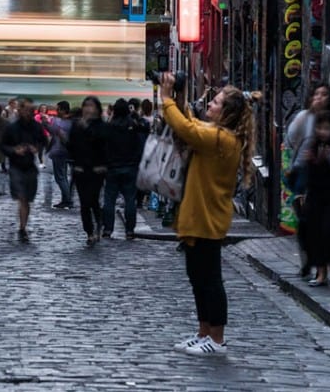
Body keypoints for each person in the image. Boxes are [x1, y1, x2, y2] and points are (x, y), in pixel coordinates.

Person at [160, 73, 257, 357]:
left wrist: (166, 100)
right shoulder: (216, 135)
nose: (210, 106)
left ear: (226, 113)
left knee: (210, 279)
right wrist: (178, 97)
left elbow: (187, 129)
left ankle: (217, 339)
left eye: (215, 103)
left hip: (208, 217)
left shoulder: (222, 139)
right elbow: (191, 124)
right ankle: (204, 332)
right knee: (197, 276)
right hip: (198, 216)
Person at [285, 82, 330, 277]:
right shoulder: (305, 116)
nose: (319, 98)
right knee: (305, 222)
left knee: (324, 227)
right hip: (305, 174)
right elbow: (291, 136)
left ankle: (321, 268)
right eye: (316, 94)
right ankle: (307, 261)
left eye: (324, 94)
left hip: (329, 181)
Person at [291, 110, 330, 286]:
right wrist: (306, 159)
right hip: (313, 196)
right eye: (320, 128)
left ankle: (325, 269)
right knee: (313, 234)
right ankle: (320, 272)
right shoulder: (310, 143)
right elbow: (297, 165)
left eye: (327, 128)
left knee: (327, 233)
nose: (323, 132)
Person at [101, 98, 147, 238]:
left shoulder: (109, 127)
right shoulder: (133, 126)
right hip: (130, 166)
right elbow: (143, 138)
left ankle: (108, 229)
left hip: (112, 167)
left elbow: (103, 147)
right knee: (130, 200)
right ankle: (129, 230)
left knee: (109, 200)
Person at [0, 100, 45, 243]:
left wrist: (36, 148)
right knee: (22, 197)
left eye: (30, 111)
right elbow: (2, 145)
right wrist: (14, 150)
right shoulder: (11, 128)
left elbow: (44, 141)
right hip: (16, 166)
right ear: (19, 111)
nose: (27, 113)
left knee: (28, 198)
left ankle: (23, 224)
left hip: (30, 166)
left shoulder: (36, 127)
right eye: (25, 110)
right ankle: (22, 227)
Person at [66, 96, 109, 246]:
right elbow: (71, 146)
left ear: (97, 109)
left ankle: (98, 223)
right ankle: (89, 232)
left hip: (97, 169)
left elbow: (103, 143)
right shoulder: (76, 126)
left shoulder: (101, 126)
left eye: (91, 106)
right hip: (80, 168)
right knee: (84, 202)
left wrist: (103, 165)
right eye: (85, 105)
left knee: (93, 200)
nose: (87, 109)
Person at [48, 100, 74, 209]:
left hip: (59, 151)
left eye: (57, 109)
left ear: (63, 110)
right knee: (63, 177)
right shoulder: (72, 121)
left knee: (60, 177)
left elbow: (54, 133)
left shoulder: (59, 122)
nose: (56, 111)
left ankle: (67, 200)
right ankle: (66, 199)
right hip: (67, 152)